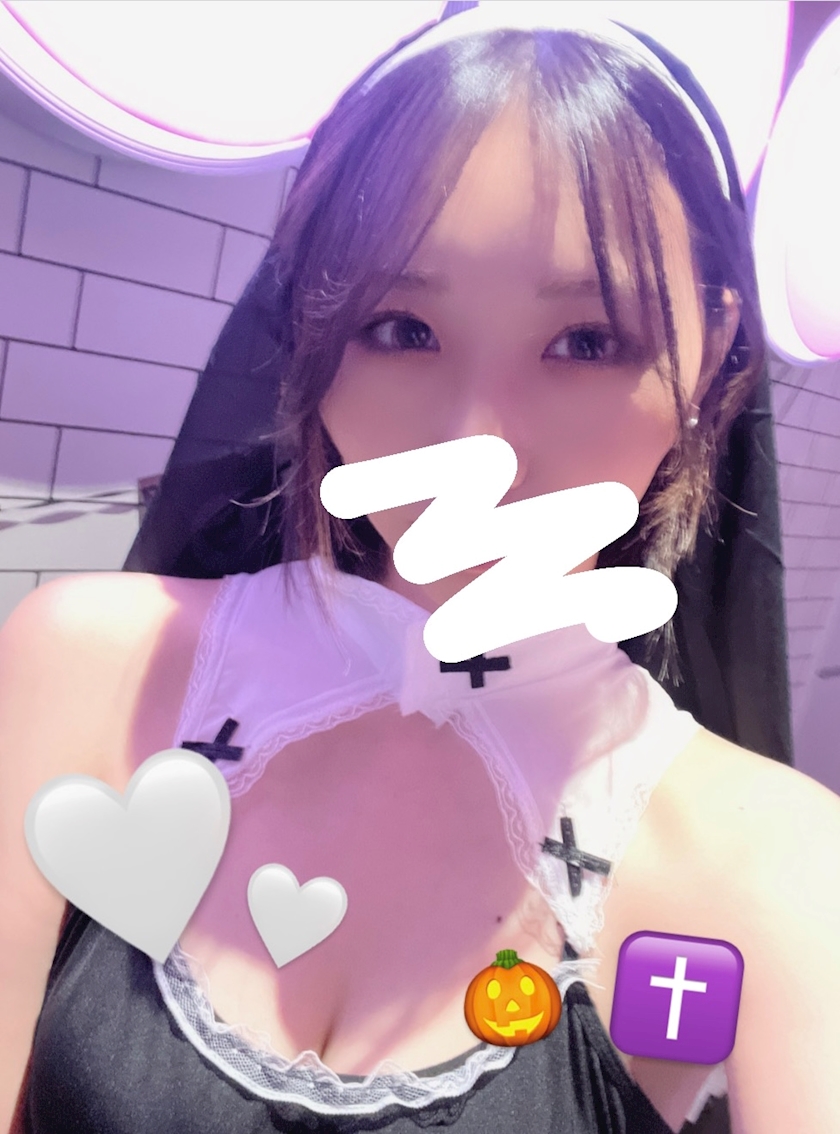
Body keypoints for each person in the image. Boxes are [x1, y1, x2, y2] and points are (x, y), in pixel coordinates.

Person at [2, 9, 839, 1134]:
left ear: (711, 355)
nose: (474, 438)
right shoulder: (89, 668)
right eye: (400, 327)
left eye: (588, 340)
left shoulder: (777, 867)